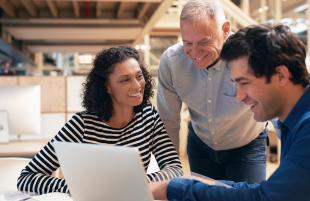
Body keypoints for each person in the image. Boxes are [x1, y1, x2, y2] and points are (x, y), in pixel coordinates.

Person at [151, 23, 310, 201]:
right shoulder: (294, 124)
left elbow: (267, 197)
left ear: (281, 75)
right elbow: (274, 190)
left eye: (244, 83)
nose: (239, 97)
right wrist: (197, 184)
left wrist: (175, 189)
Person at [17, 47, 183, 194]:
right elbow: (27, 178)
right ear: (107, 87)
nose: (137, 85)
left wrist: (132, 184)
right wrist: (79, 187)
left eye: (139, 76)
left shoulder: (149, 117)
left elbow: (175, 169)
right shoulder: (82, 124)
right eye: (125, 80)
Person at [157, 0, 266, 183]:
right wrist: (170, 170)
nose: (195, 52)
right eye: (187, 43)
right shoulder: (172, 62)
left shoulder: (251, 55)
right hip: (201, 146)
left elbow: (277, 108)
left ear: (225, 30)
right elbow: (168, 120)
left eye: (204, 42)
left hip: (247, 146)